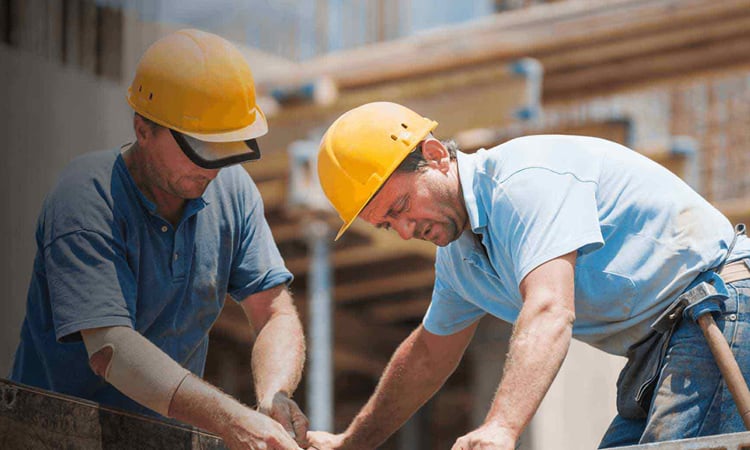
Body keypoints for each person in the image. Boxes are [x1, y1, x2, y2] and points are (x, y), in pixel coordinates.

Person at [307, 101, 750, 449]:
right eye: (387, 225)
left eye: (401, 207)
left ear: (435, 155)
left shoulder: (522, 183)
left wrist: (501, 427)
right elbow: (427, 356)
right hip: (669, 338)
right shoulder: (461, 261)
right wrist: (352, 442)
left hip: (720, 301)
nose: (405, 232)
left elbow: (550, 310)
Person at [9, 29, 309, 450]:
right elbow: (112, 350)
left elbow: (275, 312)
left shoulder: (233, 192)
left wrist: (272, 398)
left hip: (162, 439)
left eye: (228, 146)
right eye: (201, 147)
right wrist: (233, 421)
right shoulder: (86, 197)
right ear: (143, 127)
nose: (213, 168)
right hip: (53, 438)